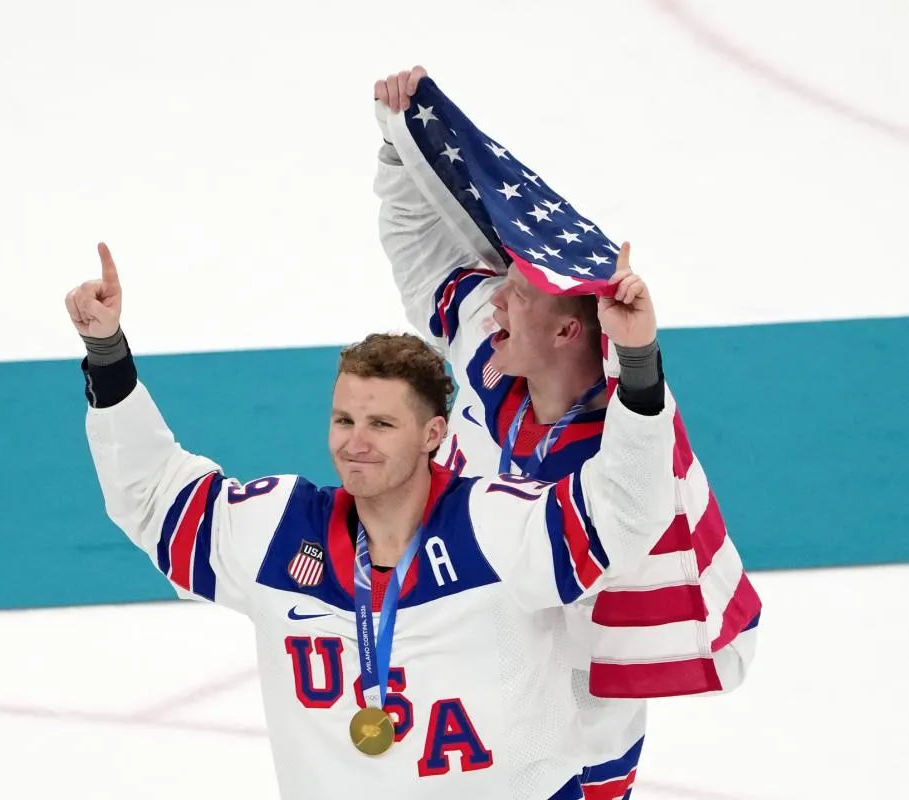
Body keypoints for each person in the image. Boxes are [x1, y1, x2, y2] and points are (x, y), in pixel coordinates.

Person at [67, 240, 682, 800]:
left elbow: (623, 515)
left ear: (433, 434)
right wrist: (107, 355)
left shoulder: (494, 526)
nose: (355, 444)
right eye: (344, 421)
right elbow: (153, 496)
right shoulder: (280, 532)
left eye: (382, 424)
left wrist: (637, 362)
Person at [371, 65, 761, 796]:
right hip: (465, 662)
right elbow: (422, 258)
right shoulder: (493, 354)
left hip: (579, 695)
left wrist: (639, 353)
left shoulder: (619, 455)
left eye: (516, 295)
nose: (494, 302)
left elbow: (644, 431)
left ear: (564, 332)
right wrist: (402, 142)